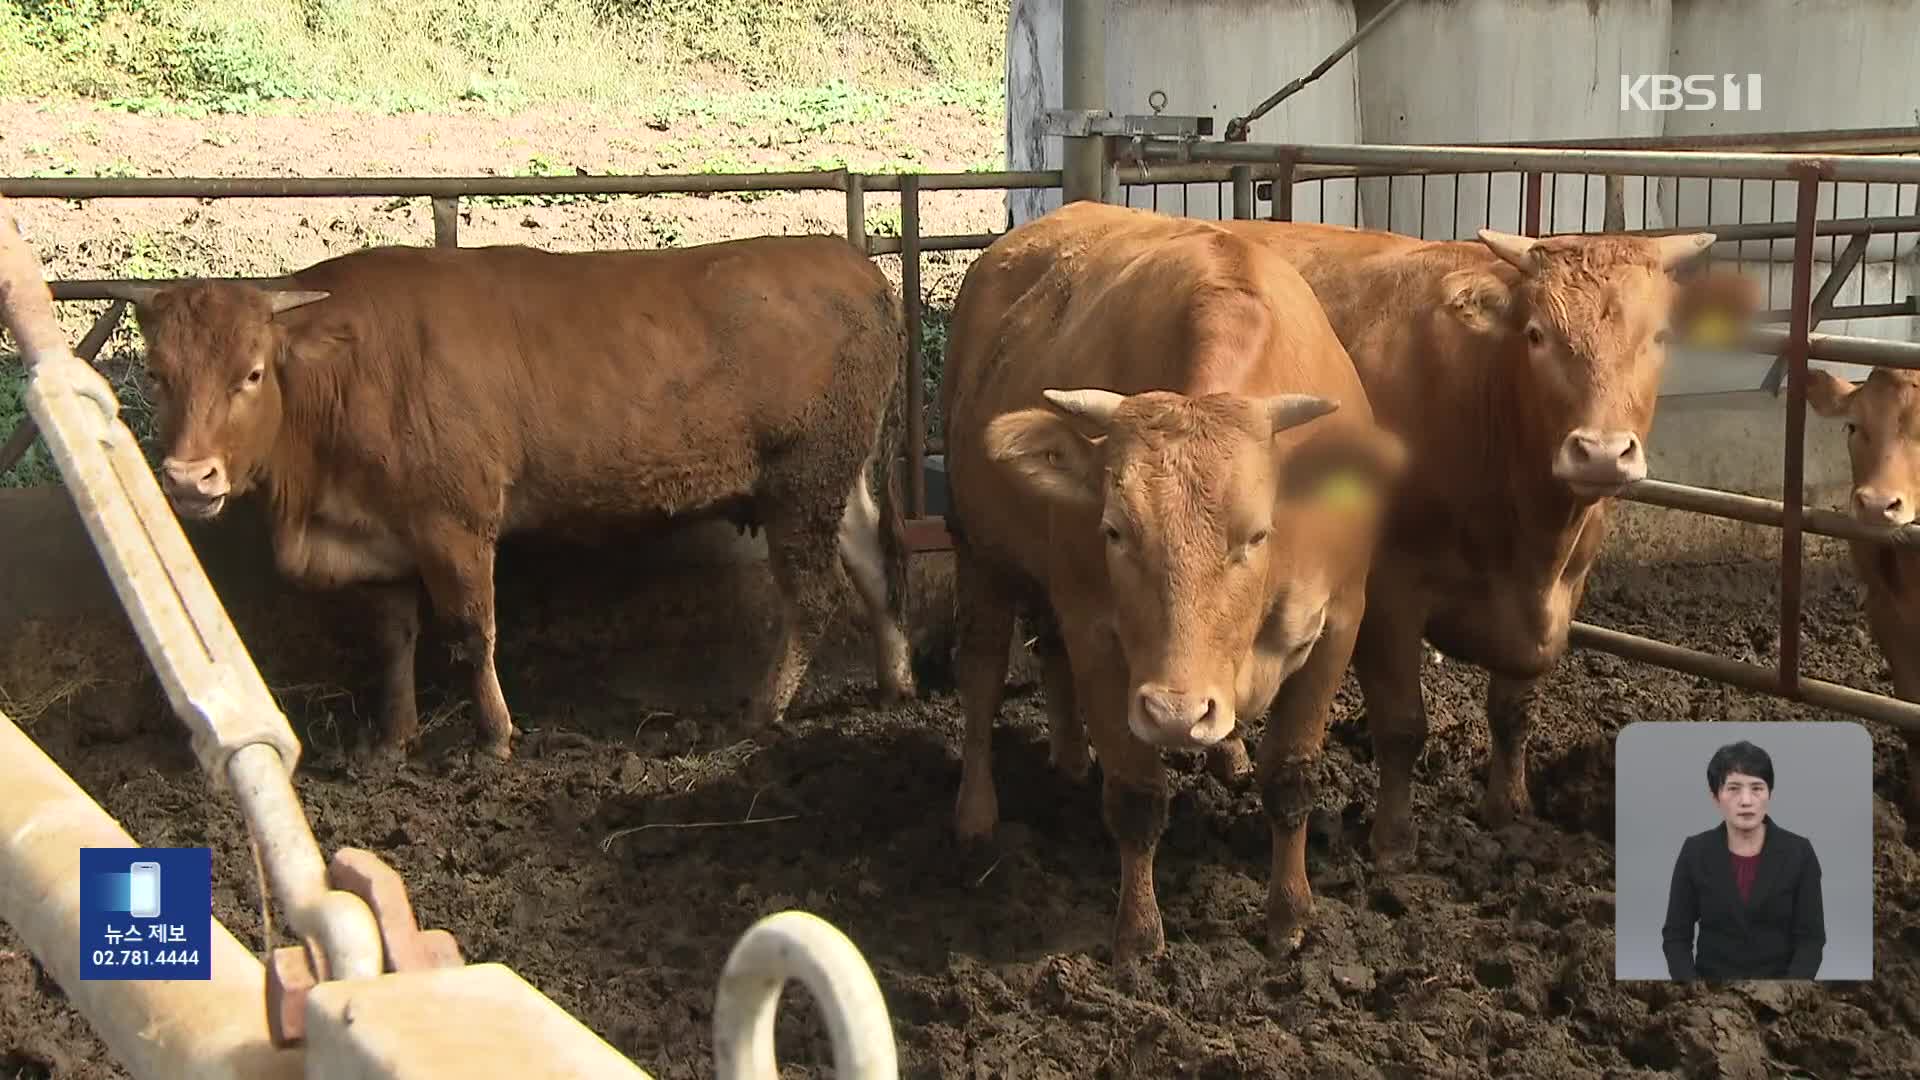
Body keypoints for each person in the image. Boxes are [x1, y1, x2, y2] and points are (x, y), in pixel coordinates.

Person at [1661, 739, 1826, 980]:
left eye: (1757, 788)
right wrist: (1693, 993)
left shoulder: (1799, 853)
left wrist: (1788, 994)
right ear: (1716, 796)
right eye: (1734, 788)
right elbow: (1676, 936)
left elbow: (1811, 939)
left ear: (1770, 793)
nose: (1746, 800)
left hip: (1779, 996)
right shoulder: (1694, 852)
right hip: (1710, 995)